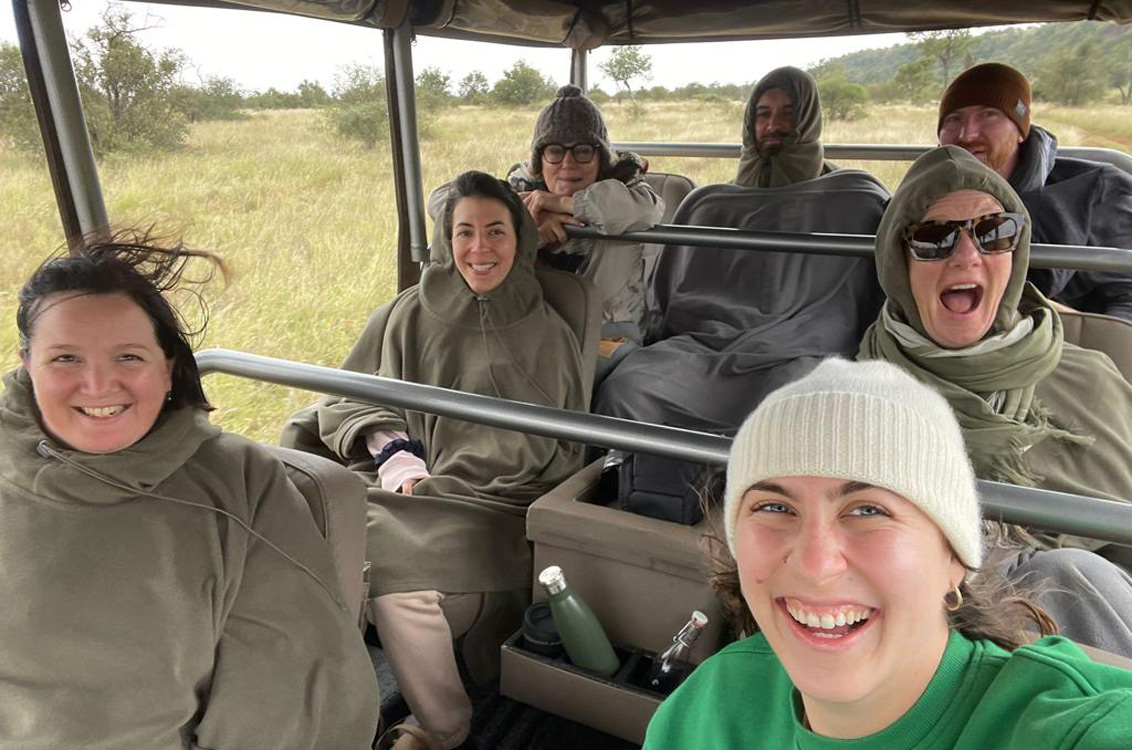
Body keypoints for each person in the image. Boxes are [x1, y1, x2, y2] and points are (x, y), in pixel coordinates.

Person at [0, 233, 380, 749]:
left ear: (167, 368)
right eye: (66, 358)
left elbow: (286, 697)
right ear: (28, 363)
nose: (98, 385)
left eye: (128, 357)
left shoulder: (236, 484)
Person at [643, 358, 1132, 750]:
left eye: (867, 510)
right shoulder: (708, 708)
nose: (815, 564)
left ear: (954, 557)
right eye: (775, 507)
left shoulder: (1067, 728)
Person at [282, 171, 586, 750]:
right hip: (397, 483)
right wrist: (393, 451)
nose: (479, 248)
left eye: (495, 231)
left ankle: (443, 729)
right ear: (447, 239)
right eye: (464, 231)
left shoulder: (546, 332)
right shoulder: (407, 310)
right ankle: (321, 717)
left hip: (489, 503)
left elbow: (549, 446)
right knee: (305, 525)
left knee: (394, 578)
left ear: (519, 238)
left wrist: (441, 482)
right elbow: (351, 393)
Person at [858, 145, 1132, 654]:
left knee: (1070, 574)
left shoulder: (1091, 380)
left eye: (994, 232)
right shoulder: (857, 396)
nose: (967, 256)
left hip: (1083, 642)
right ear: (898, 259)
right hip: (916, 642)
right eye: (934, 237)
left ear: (1016, 250)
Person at [595, 66, 885, 432]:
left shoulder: (853, 198)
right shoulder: (709, 205)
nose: (774, 124)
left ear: (809, 120)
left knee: (795, 403)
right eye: (763, 114)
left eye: (789, 113)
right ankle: (630, 468)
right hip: (705, 347)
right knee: (629, 385)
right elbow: (668, 301)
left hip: (797, 352)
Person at [937, 62, 1132, 321]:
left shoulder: (1095, 188)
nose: (967, 134)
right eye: (954, 119)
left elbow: (1125, 300)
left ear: (1021, 130)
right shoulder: (928, 199)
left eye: (988, 115)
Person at [507, 84, 665, 352]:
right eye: (555, 151)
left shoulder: (628, 192)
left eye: (582, 151)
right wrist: (527, 227)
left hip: (609, 331)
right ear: (539, 160)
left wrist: (563, 204)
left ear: (600, 159)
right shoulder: (519, 192)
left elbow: (648, 210)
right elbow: (449, 202)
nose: (568, 163)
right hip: (538, 324)